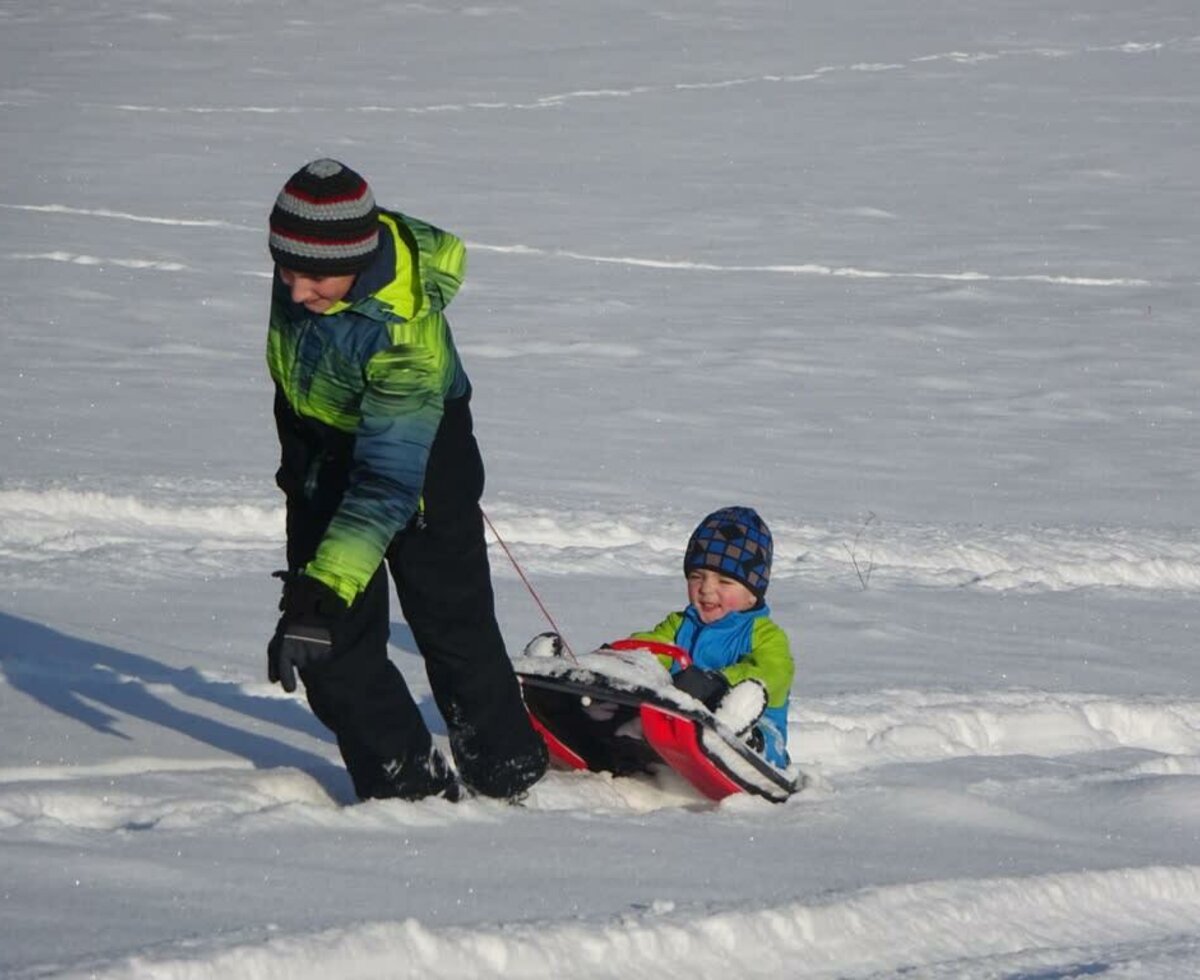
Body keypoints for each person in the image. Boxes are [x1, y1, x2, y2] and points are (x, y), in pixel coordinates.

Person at [264, 158, 548, 802]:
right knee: (325, 646)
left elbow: (387, 484)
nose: (296, 289)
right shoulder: (317, 259)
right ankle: (406, 785)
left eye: (313, 276)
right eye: (285, 266)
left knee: (454, 631)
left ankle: (507, 773)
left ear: (359, 263)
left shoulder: (404, 334)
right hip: (321, 455)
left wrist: (324, 590)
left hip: (417, 471)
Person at [626, 506, 794, 766]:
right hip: (680, 725)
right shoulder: (680, 624)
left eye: (724, 582)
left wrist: (719, 682)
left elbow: (774, 671)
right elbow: (654, 646)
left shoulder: (765, 635)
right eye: (696, 577)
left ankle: (748, 745)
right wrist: (628, 659)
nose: (706, 589)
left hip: (758, 727)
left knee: (755, 723)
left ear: (753, 594)